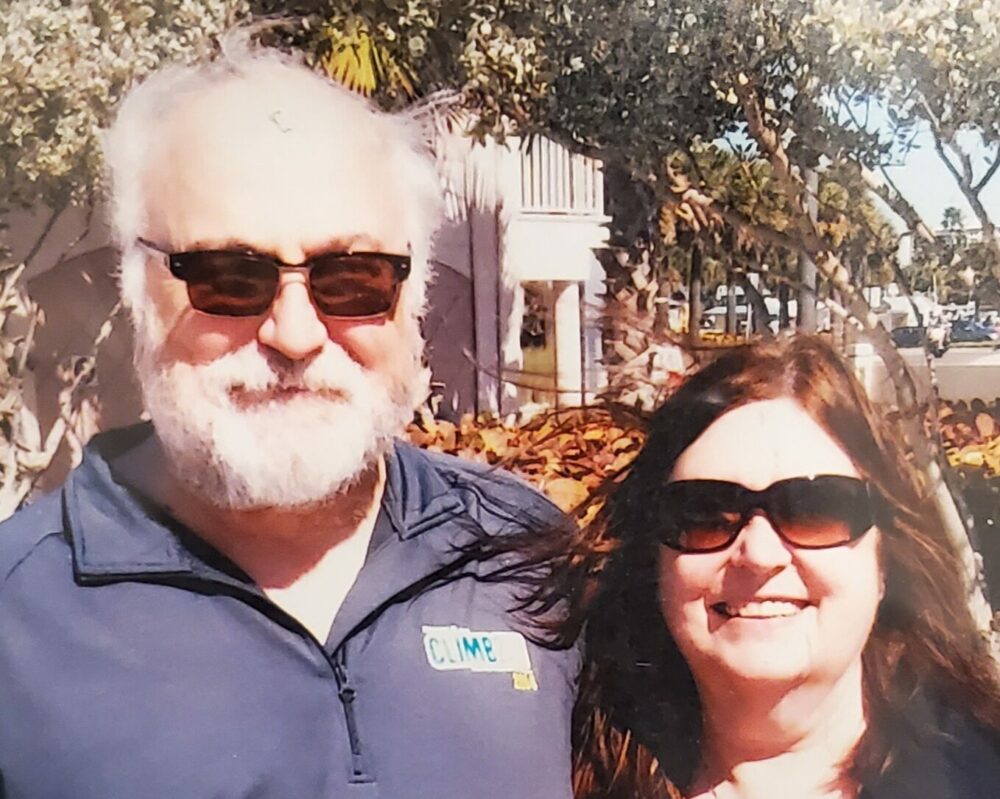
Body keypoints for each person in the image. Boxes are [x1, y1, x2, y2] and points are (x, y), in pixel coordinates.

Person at [0, 32, 577, 799]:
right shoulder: (18, 615)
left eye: (354, 277)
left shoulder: (531, 560)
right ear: (138, 287)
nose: (296, 335)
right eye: (231, 277)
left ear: (414, 297)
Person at [561, 337, 1000, 799]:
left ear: (885, 559)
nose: (759, 554)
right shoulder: (552, 775)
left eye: (813, 509)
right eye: (705, 514)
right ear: (654, 560)